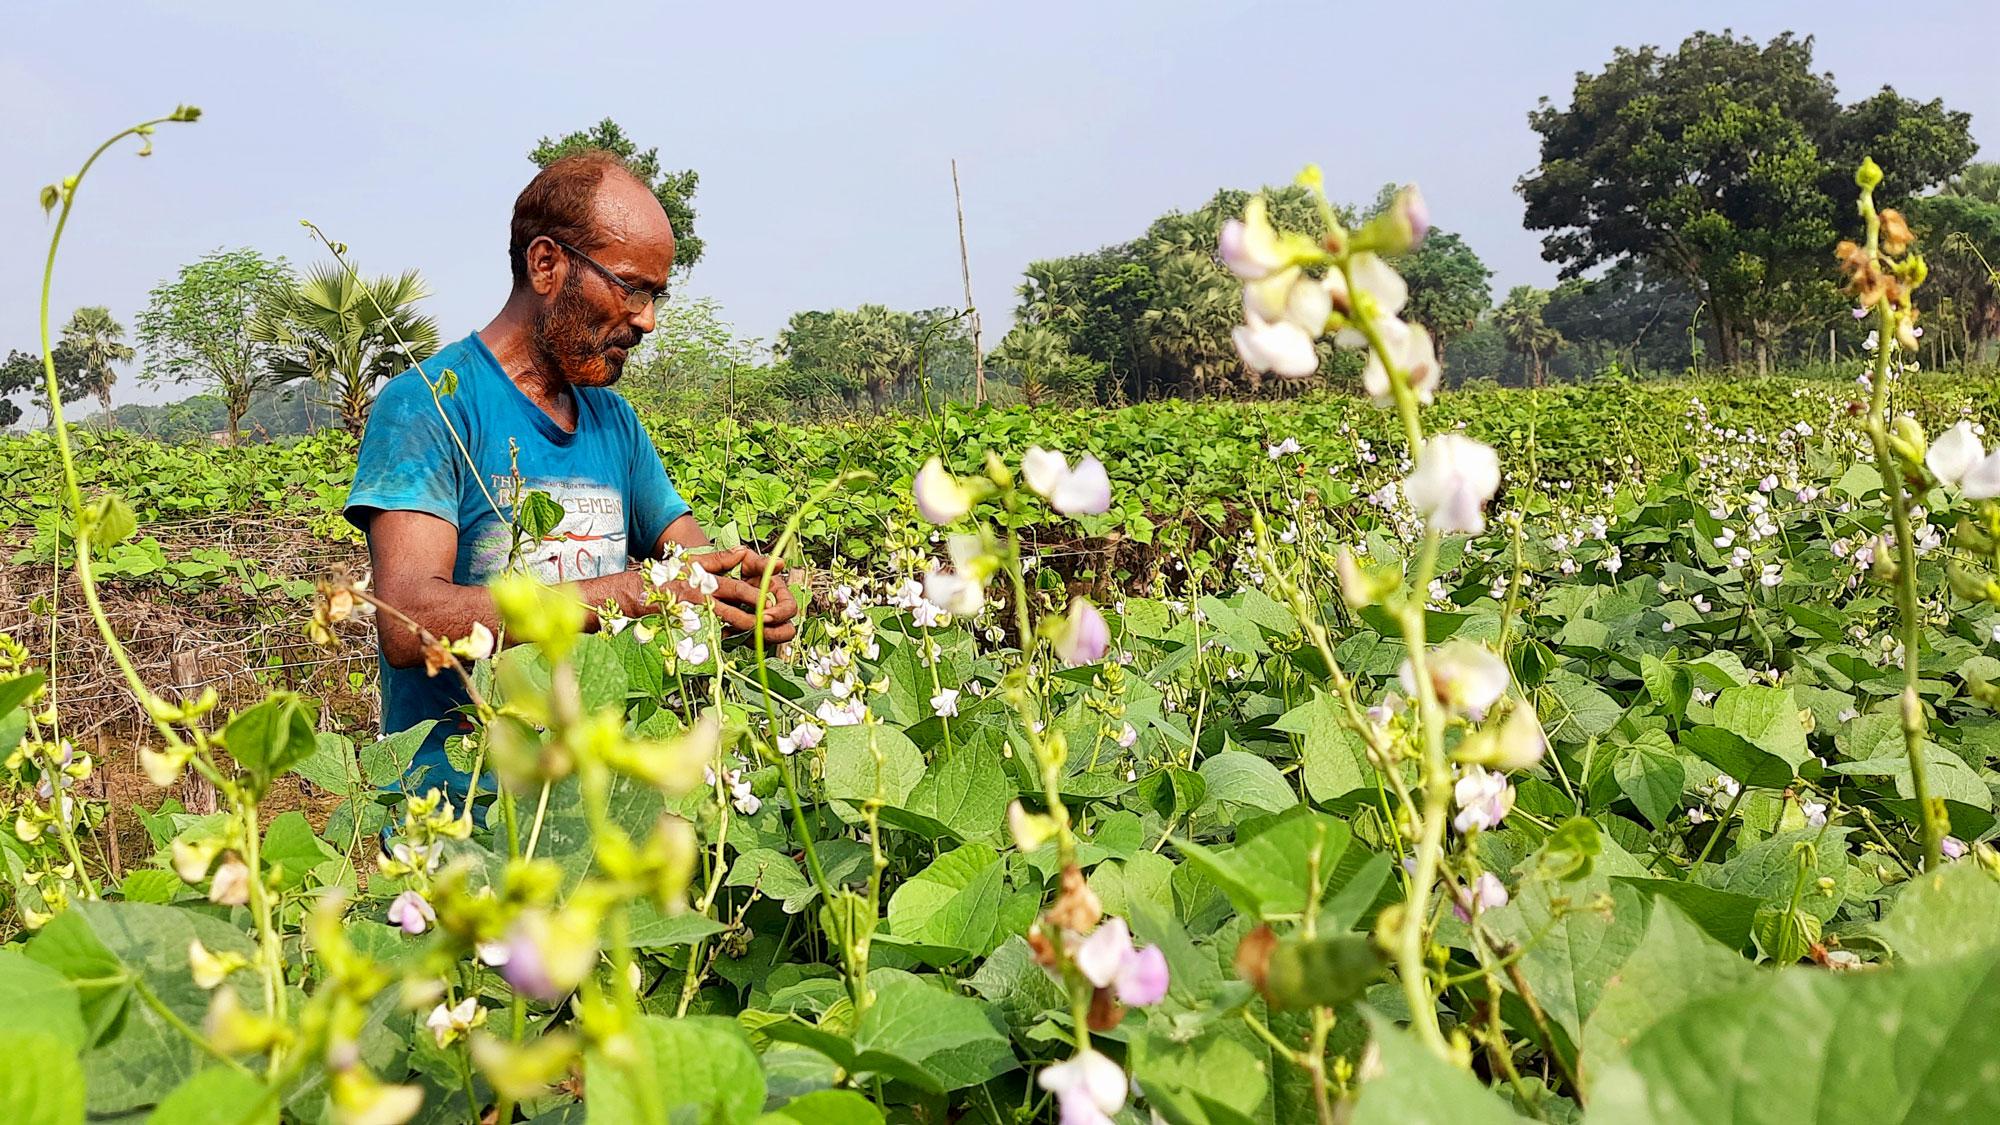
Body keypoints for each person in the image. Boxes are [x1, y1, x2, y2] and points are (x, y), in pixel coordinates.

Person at [344, 150, 798, 806]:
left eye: (655, 295)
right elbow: (408, 619)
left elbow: (692, 564)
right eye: (630, 287)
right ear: (546, 264)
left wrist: (749, 596)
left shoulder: (615, 424)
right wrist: (624, 594)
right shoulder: (428, 405)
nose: (646, 320)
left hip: (594, 809)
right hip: (457, 821)